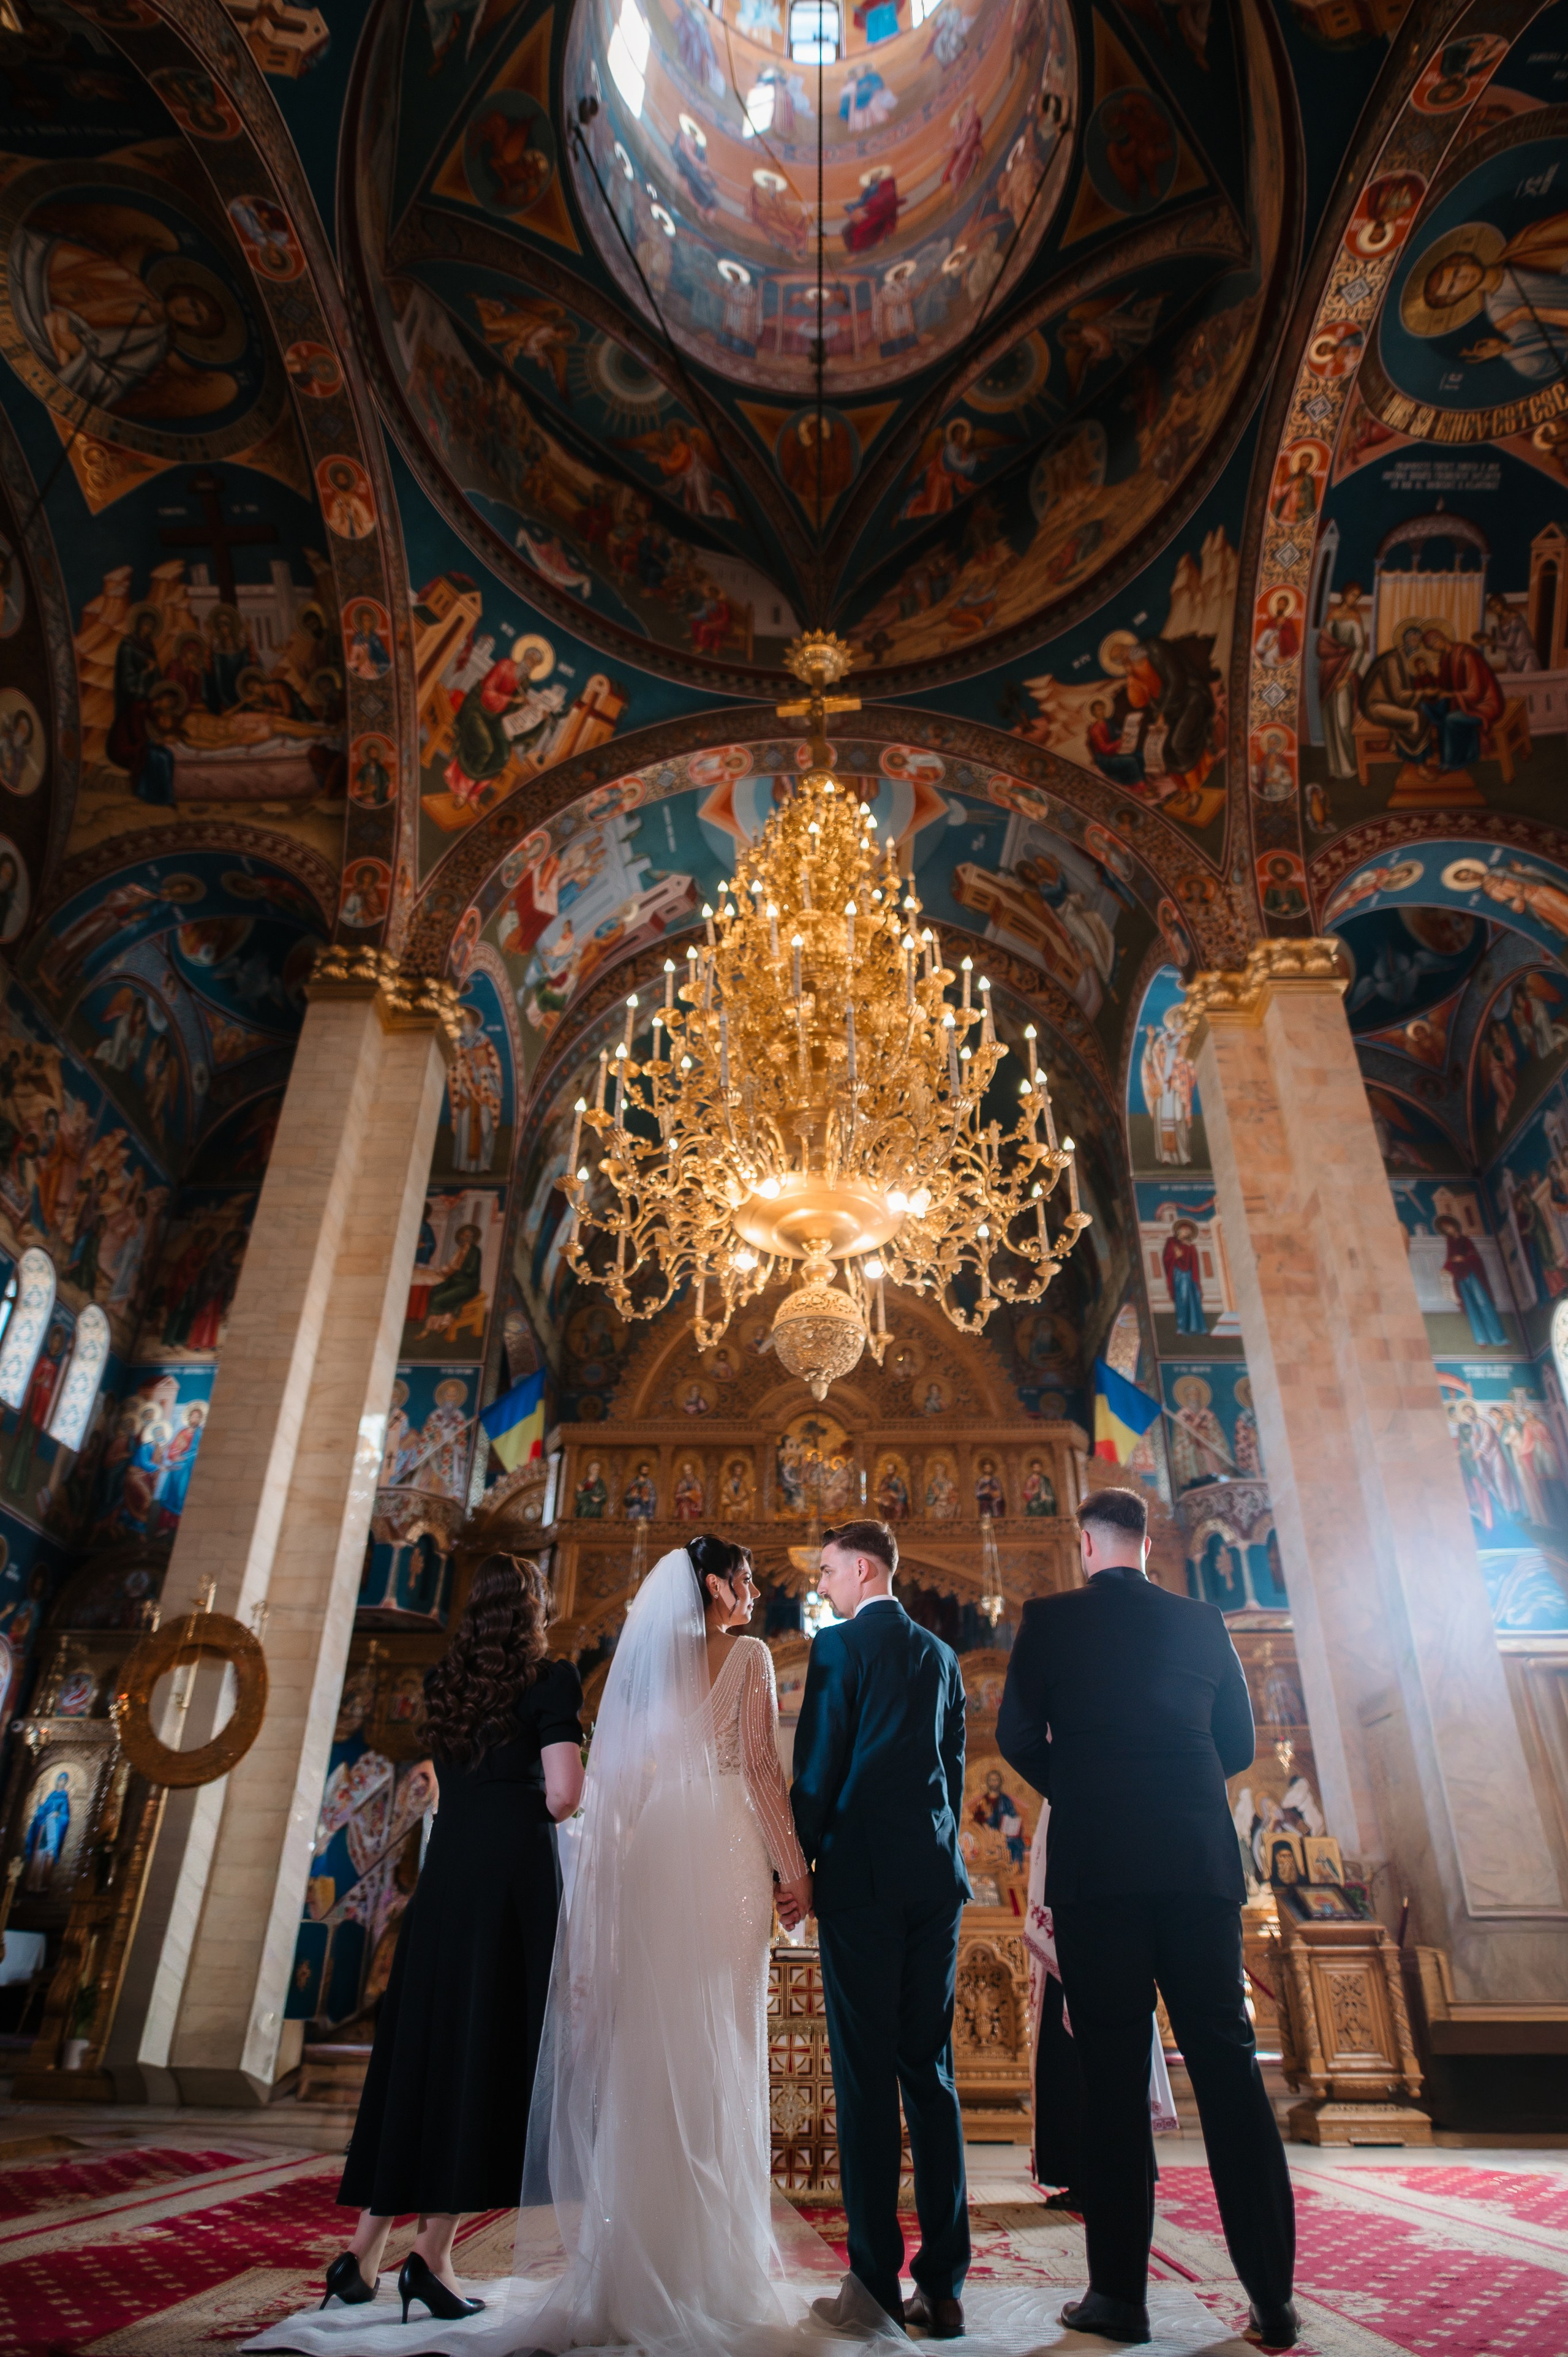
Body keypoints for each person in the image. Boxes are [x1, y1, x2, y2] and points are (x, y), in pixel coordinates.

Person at [997, 1486, 1297, 2351]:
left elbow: (1017, 1736)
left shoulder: (1049, 1620)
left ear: (1086, 1545)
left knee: (1116, 2081)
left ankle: (1119, 2301)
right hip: (1199, 1869)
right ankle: (1272, 2300)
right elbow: (1236, 1744)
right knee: (1230, 2069)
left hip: (1100, 1877)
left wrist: (1088, 1790)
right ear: (1146, 1542)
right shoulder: (1203, 1621)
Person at [317, 1556, 584, 2325]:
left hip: (446, 1883)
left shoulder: (446, 1682)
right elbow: (562, 1794)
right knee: (482, 2055)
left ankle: (361, 2252)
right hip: (511, 1888)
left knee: (424, 2055)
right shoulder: (549, 1680)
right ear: (532, 1607)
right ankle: (431, 2257)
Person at [791, 1519, 973, 2336]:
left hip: (860, 1882)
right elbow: (954, 1771)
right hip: (934, 1880)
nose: (822, 1586)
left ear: (863, 1570)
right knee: (929, 2074)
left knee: (867, 2079)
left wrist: (791, 1866)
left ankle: (871, 2284)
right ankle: (944, 2286)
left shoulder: (836, 1650)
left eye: (828, 1572)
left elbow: (820, 1768)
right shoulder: (942, 1656)